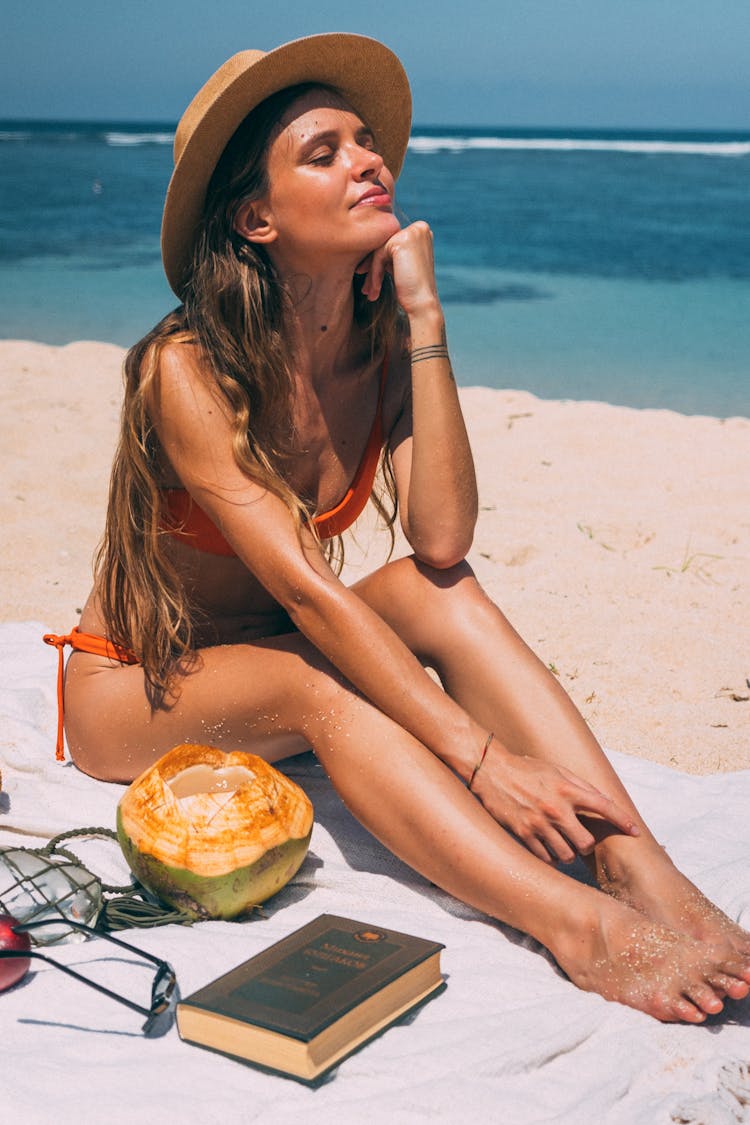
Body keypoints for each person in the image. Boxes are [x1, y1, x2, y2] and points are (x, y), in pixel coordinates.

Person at [47, 33, 750, 1023]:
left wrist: (426, 320)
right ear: (255, 216)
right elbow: (303, 590)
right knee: (308, 678)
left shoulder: (380, 343)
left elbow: (444, 539)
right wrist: (476, 757)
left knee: (439, 592)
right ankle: (575, 924)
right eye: (323, 152)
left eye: (368, 143)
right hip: (139, 682)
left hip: (273, 649)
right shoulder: (188, 370)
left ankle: (646, 875)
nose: (370, 162)